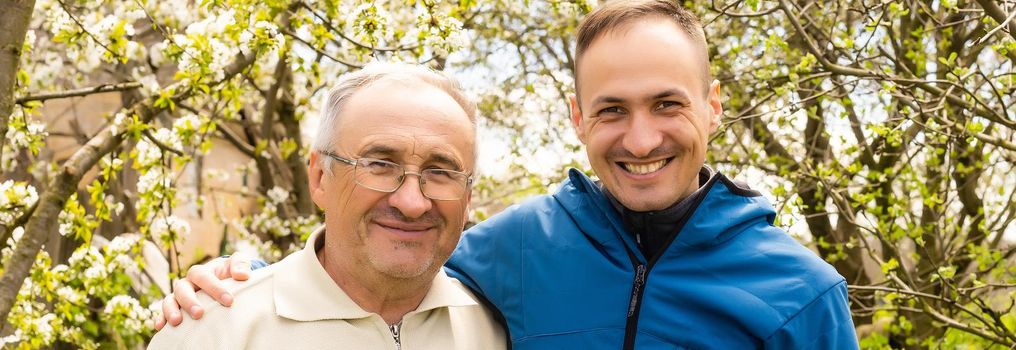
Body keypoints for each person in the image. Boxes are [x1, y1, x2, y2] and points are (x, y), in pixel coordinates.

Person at [156, 1, 859, 348]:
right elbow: (383, 251)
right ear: (579, 119)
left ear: (712, 108)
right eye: (612, 109)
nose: (641, 137)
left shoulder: (800, 293)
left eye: (668, 104)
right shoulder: (518, 248)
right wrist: (240, 280)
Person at [147, 62, 506, 349]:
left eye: (440, 172)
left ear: (468, 196)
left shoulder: (494, 331)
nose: (412, 202)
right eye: (379, 164)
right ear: (320, 177)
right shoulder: (213, 332)